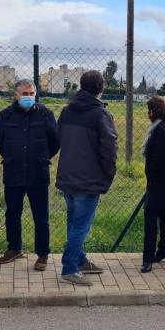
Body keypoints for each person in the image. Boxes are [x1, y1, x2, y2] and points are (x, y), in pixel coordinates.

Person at [56, 70, 118, 286]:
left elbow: (58, 138)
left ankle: (80, 260)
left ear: (81, 86)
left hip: (67, 176)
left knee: (74, 222)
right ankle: (69, 268)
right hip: (89, 180)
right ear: (101, 88)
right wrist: (109, 173)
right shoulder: (101, 115)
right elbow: (109, 149)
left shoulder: (67, 111)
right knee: (81, 225)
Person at [0, 79, 59, 271]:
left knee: (41, 216)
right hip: (13, 172)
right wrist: (12, 156)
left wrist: (42, 157)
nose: (29, 97)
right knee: (12, 213)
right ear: (16, 95)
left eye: (31, 94)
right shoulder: (5, 115)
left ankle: (42, 254)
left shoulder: (46, 114)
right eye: (25, 94)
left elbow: (55, 141)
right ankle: (14, 248)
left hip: (38, 172)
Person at [140, 96, 165, 273]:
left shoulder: (159, 130)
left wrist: (150, 175)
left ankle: (147, 258)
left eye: (149, 110)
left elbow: (156, 159)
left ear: (152, 111)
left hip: (157, 182)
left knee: (150, 219)